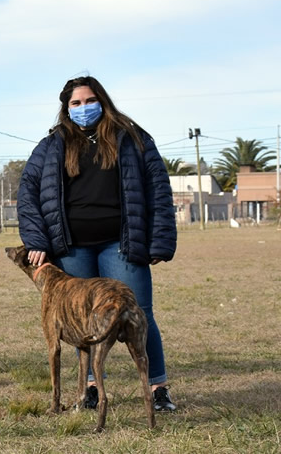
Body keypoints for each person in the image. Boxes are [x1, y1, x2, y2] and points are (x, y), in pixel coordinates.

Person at [17, 75, 178, 412]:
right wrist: (35, 238)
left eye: (90, 101)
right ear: (66, 109)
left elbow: (158, 188)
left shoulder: (133, 138)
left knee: (140, 315)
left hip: (122, 244)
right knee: (82, 321)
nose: (84, 108)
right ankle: (91, 387)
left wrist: (160, 239)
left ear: (102, 101)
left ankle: (158, 388)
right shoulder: (52, 146)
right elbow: (28, 194)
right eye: (76, 103)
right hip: (72, 248)